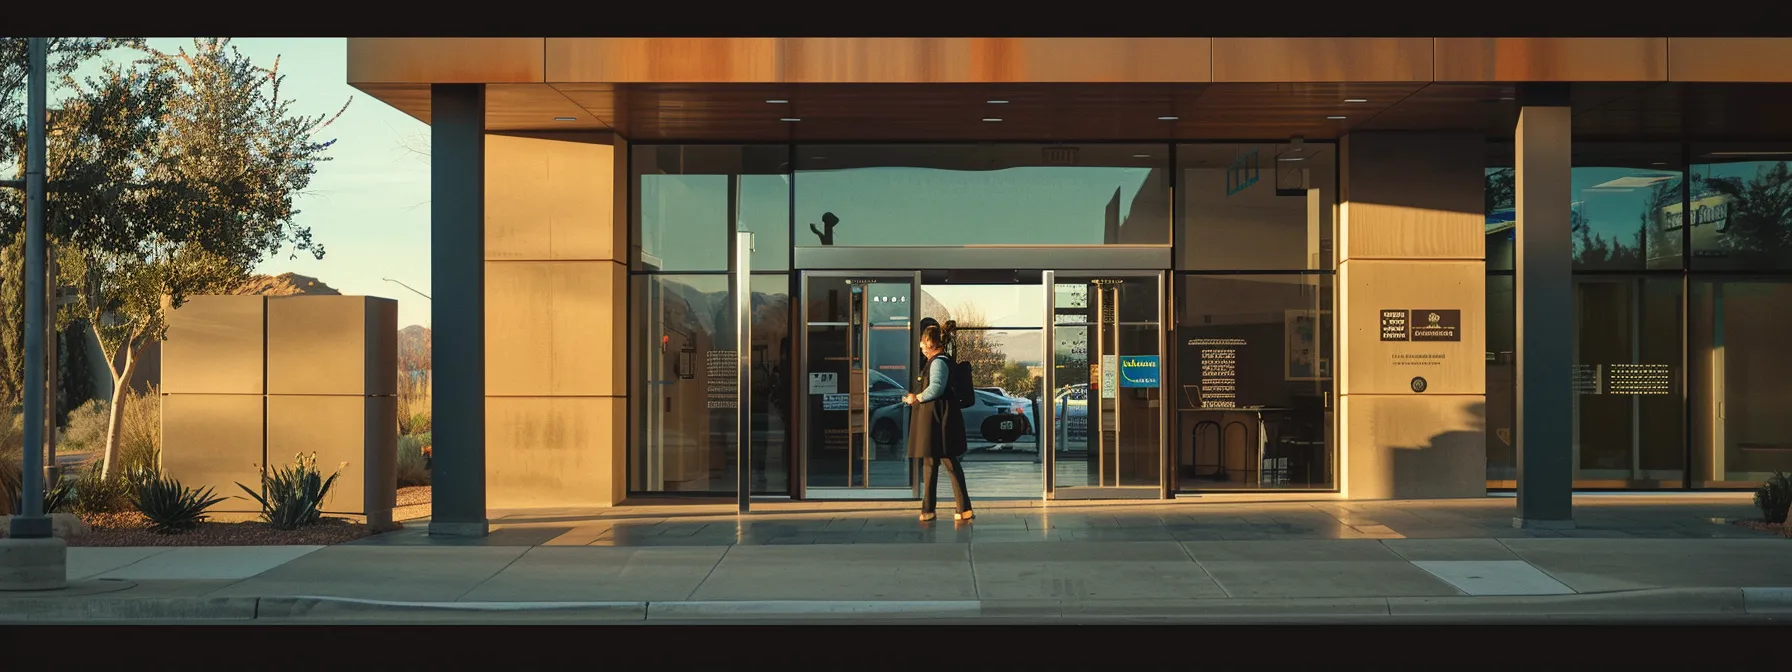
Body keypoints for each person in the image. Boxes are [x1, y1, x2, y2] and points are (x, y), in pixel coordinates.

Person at [904, 323, 973, 522]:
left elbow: (935, 388)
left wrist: (915, 398)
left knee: (945, 461)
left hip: (937, 419)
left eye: (924, 342)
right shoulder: (940, 360)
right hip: (937, 418)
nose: (921, 346)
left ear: (932, 342)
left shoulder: (938, 362)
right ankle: (945, 508)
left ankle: (942, 509)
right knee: (934, 461)